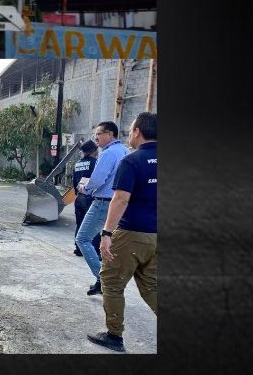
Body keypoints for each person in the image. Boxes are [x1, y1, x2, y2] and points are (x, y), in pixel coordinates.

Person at [87, 112, 157, 353]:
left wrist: (106, 233)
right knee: (152, 286)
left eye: (130, 129)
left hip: (131, 233)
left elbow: (120, 199)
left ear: (138, 131)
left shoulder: (132, 160)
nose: (129, 133)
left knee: (111, 281)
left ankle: (114, 335)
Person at [74, 121, 130, 295]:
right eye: (96, 134)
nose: (96, 138)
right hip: (120, 204)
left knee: (82, 238)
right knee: (108, 243)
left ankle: (103, 279)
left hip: (103, 202)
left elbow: (98, 179)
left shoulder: (108, 154)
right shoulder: (125, 152)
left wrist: (85, 188)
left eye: (99, 134)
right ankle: (106, 280)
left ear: (110, 134)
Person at [71, 140, 100, 257]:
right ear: (94, 150)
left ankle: (78, 249)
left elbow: (74, 182)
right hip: (91, 197)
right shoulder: (96, 163)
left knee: (80, 223)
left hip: (79, 197)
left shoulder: (77, 163)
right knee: (95, 224)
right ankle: (95, 251)